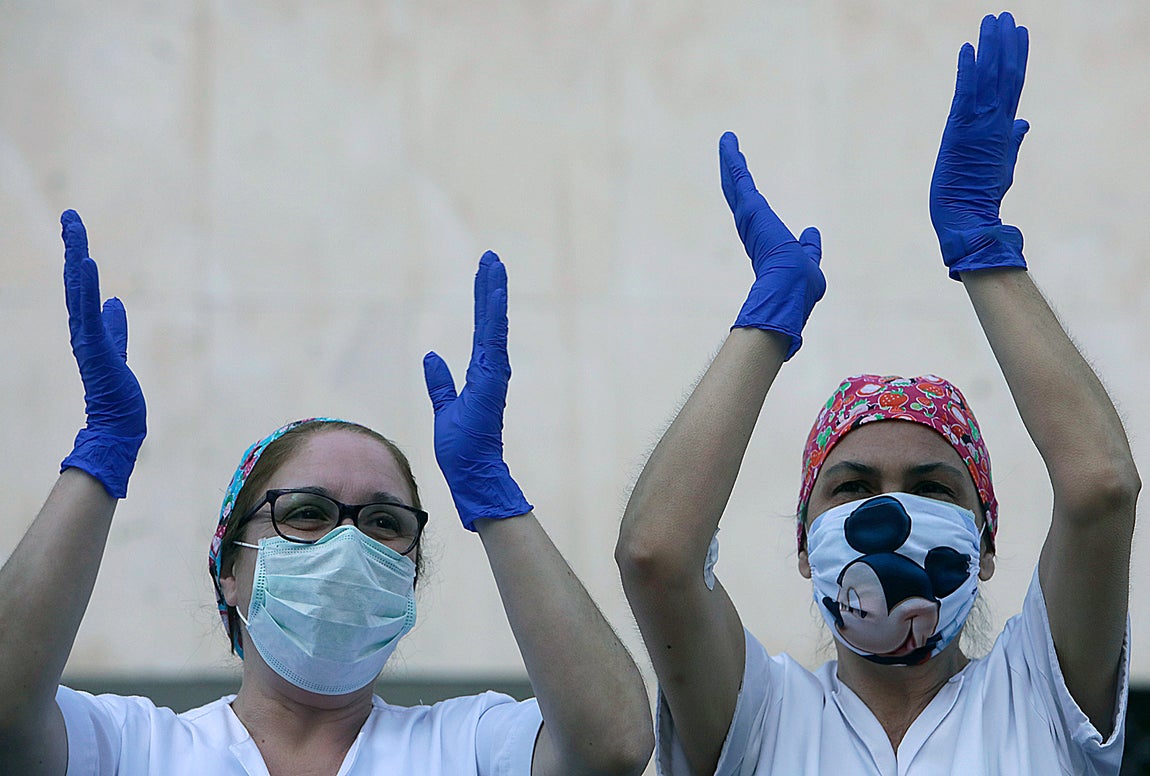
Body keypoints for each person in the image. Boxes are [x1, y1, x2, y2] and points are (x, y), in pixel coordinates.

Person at [615, 12, 1136, 776]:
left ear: (985, 546)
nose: (887, 515)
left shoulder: (1037, 699)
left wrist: (983, 244)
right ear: (803, 545)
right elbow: (655, 552)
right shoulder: (759, 716)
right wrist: (767, 320)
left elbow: (1102, 487)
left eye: (931, 486)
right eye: (851, 486)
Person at [0, 214, 653, 775]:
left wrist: (491, 492)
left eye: (384, 521)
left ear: (410, 576)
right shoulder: (134, 748)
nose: (348, 542)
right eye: (307, 514)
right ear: (229, 569)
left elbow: (616, 746)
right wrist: (101, 455)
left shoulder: (470, 746)